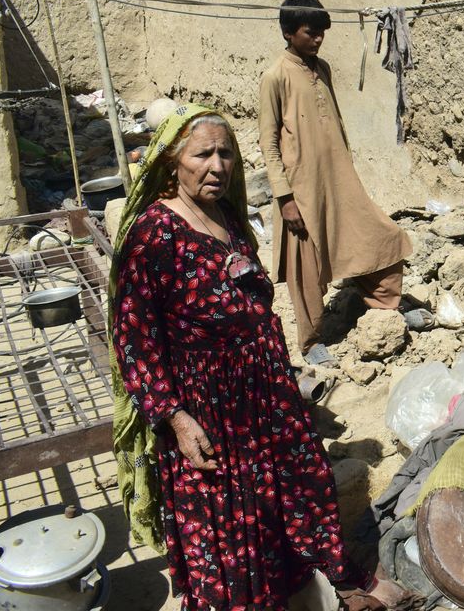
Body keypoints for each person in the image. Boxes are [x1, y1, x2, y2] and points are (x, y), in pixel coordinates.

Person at [108, 104, 385, 611]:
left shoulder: (227, 215)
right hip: (207, 404)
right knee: (232, 516)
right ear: (172, 162)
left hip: (263, 389)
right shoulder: (154, 235)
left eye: (226, 153)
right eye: (202, 154)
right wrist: (177, 418)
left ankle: (307, 579)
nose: (217, 166)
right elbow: (135, 340)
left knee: (300, 483)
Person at [258, 0, 412, 365]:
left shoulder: (321, 68)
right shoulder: (275, 75)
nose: (318, 40)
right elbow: (269, 141)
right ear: (288, 32)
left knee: (381, 237)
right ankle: (311, 342)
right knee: (307, 266)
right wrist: (285, 197)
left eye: (321, 33)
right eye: (311, 33)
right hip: (302, 189)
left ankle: (387, 306)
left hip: (339, 181)